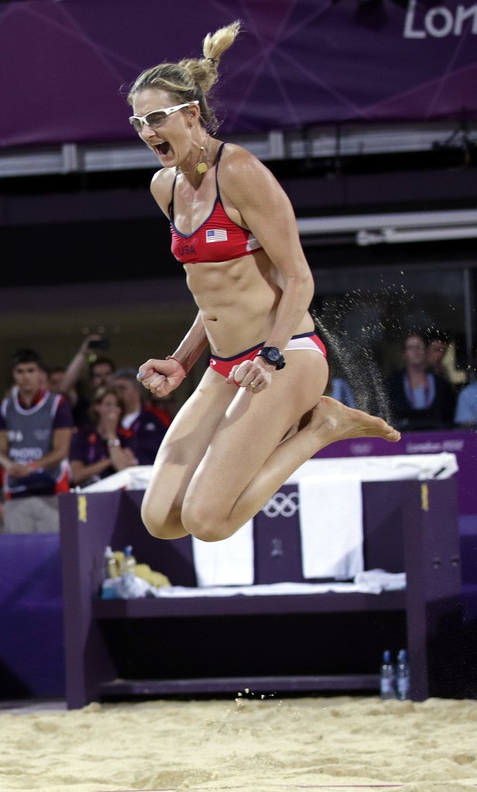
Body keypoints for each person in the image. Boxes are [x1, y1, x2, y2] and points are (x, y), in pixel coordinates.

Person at [128, 21, 398, 544]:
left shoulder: (242, 172)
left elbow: (299, 277)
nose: (146, 132)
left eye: (156, 118)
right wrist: (182, 361)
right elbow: (216, 294)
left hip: (285, 356)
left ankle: (324, 426)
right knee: (160, 519)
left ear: (190, 114)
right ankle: (305, 416)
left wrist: (270, 354)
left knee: (207, 522)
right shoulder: (166, 186)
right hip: (225, 365)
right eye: (137, 121)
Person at [0, 349, 74, 535]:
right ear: (13, 374)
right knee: (17, 556)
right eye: (20, 371)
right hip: (15, 492)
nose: (26, 377)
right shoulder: (5, 407)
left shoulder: (57, 404)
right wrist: (9, 465)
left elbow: (61, 450)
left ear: (40, 373)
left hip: (51, 492)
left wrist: (33, 466)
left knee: (56, 554)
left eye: (31, 370)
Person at [384, 330, 455, 432]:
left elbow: (448, 416)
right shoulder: (392, 384)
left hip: (436, 438)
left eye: (420, 347)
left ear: (426, 352)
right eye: (411, 348)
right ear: (404, 354)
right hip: (401, 439)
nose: (416, 351)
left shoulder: (441, 384)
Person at [69, 386, 139, 488]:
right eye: (108, 404)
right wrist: (109, 461)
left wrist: (111, 434)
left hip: (118, 493)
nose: (113, 410)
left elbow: (125, 469)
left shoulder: (127, 436)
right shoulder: (82, 435)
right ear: (97, 407)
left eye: (117, 405)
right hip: (88, 491)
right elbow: (76, 475)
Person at [107, 367, 168, 465]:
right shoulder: (108, 419)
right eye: (114, 389)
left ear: (137, 390)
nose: (117, 393)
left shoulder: (158, 417)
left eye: (122, 388)